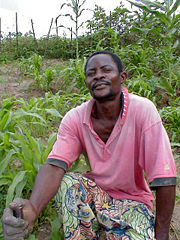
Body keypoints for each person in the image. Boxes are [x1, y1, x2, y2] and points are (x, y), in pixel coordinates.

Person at [2, 51, 177, 240]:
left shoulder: (143, 110)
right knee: (68, 183)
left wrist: (162, 235)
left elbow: (164, 176)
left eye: (106, 70)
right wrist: (33, 208)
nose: (98, 75)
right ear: (86, 82)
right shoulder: (75, 118)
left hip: (132, 202)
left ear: (122, 77)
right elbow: (55, 164)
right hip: (95, 195)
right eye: (91, 73)